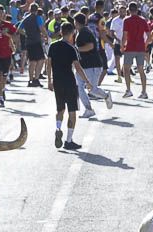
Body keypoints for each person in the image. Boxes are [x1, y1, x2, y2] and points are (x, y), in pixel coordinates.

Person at [48, 20, 98, 149]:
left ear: (60, 32)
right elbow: (77, 67)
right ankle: (68, 140)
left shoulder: (53, 46)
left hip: (57, 81)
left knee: (60, 109)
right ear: (72, 33)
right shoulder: (72, 48)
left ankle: (58, 128)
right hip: (69, 82)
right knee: (72, 111)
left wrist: (49, 80)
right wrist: (87, 81)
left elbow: (48, 64)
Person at [73, 11, 112, 115]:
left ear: (76, 22)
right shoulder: (81, 32)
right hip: (84, 65)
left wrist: (76, 49)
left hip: (92, 65)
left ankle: (106, 96)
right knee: (80, 87)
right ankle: (89, 109)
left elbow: (90, 46)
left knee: (92, 90)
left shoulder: (84, 32)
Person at [120, 0, 149, 96]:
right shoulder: (143, 20)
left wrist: (122, 46)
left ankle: (128, 90)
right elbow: (149, 35)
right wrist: (145, 44)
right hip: (140, 47)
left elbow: (125, 36)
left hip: (130, 47)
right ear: (137, 10)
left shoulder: (126, 20)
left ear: (129, 10)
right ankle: (144, 91)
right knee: (141, 70)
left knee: (126, 69)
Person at [17, 1, 43, 85]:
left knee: (32, 61)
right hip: (36, 41)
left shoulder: (26, 18)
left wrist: (26, 33)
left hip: (29, 41)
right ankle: (36, 78)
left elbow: (19, 29)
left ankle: (30, 80)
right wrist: (45, 35)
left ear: (30, 9)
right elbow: (41, 28)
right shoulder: (38, 18)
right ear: (37, 10)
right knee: (41, 60)